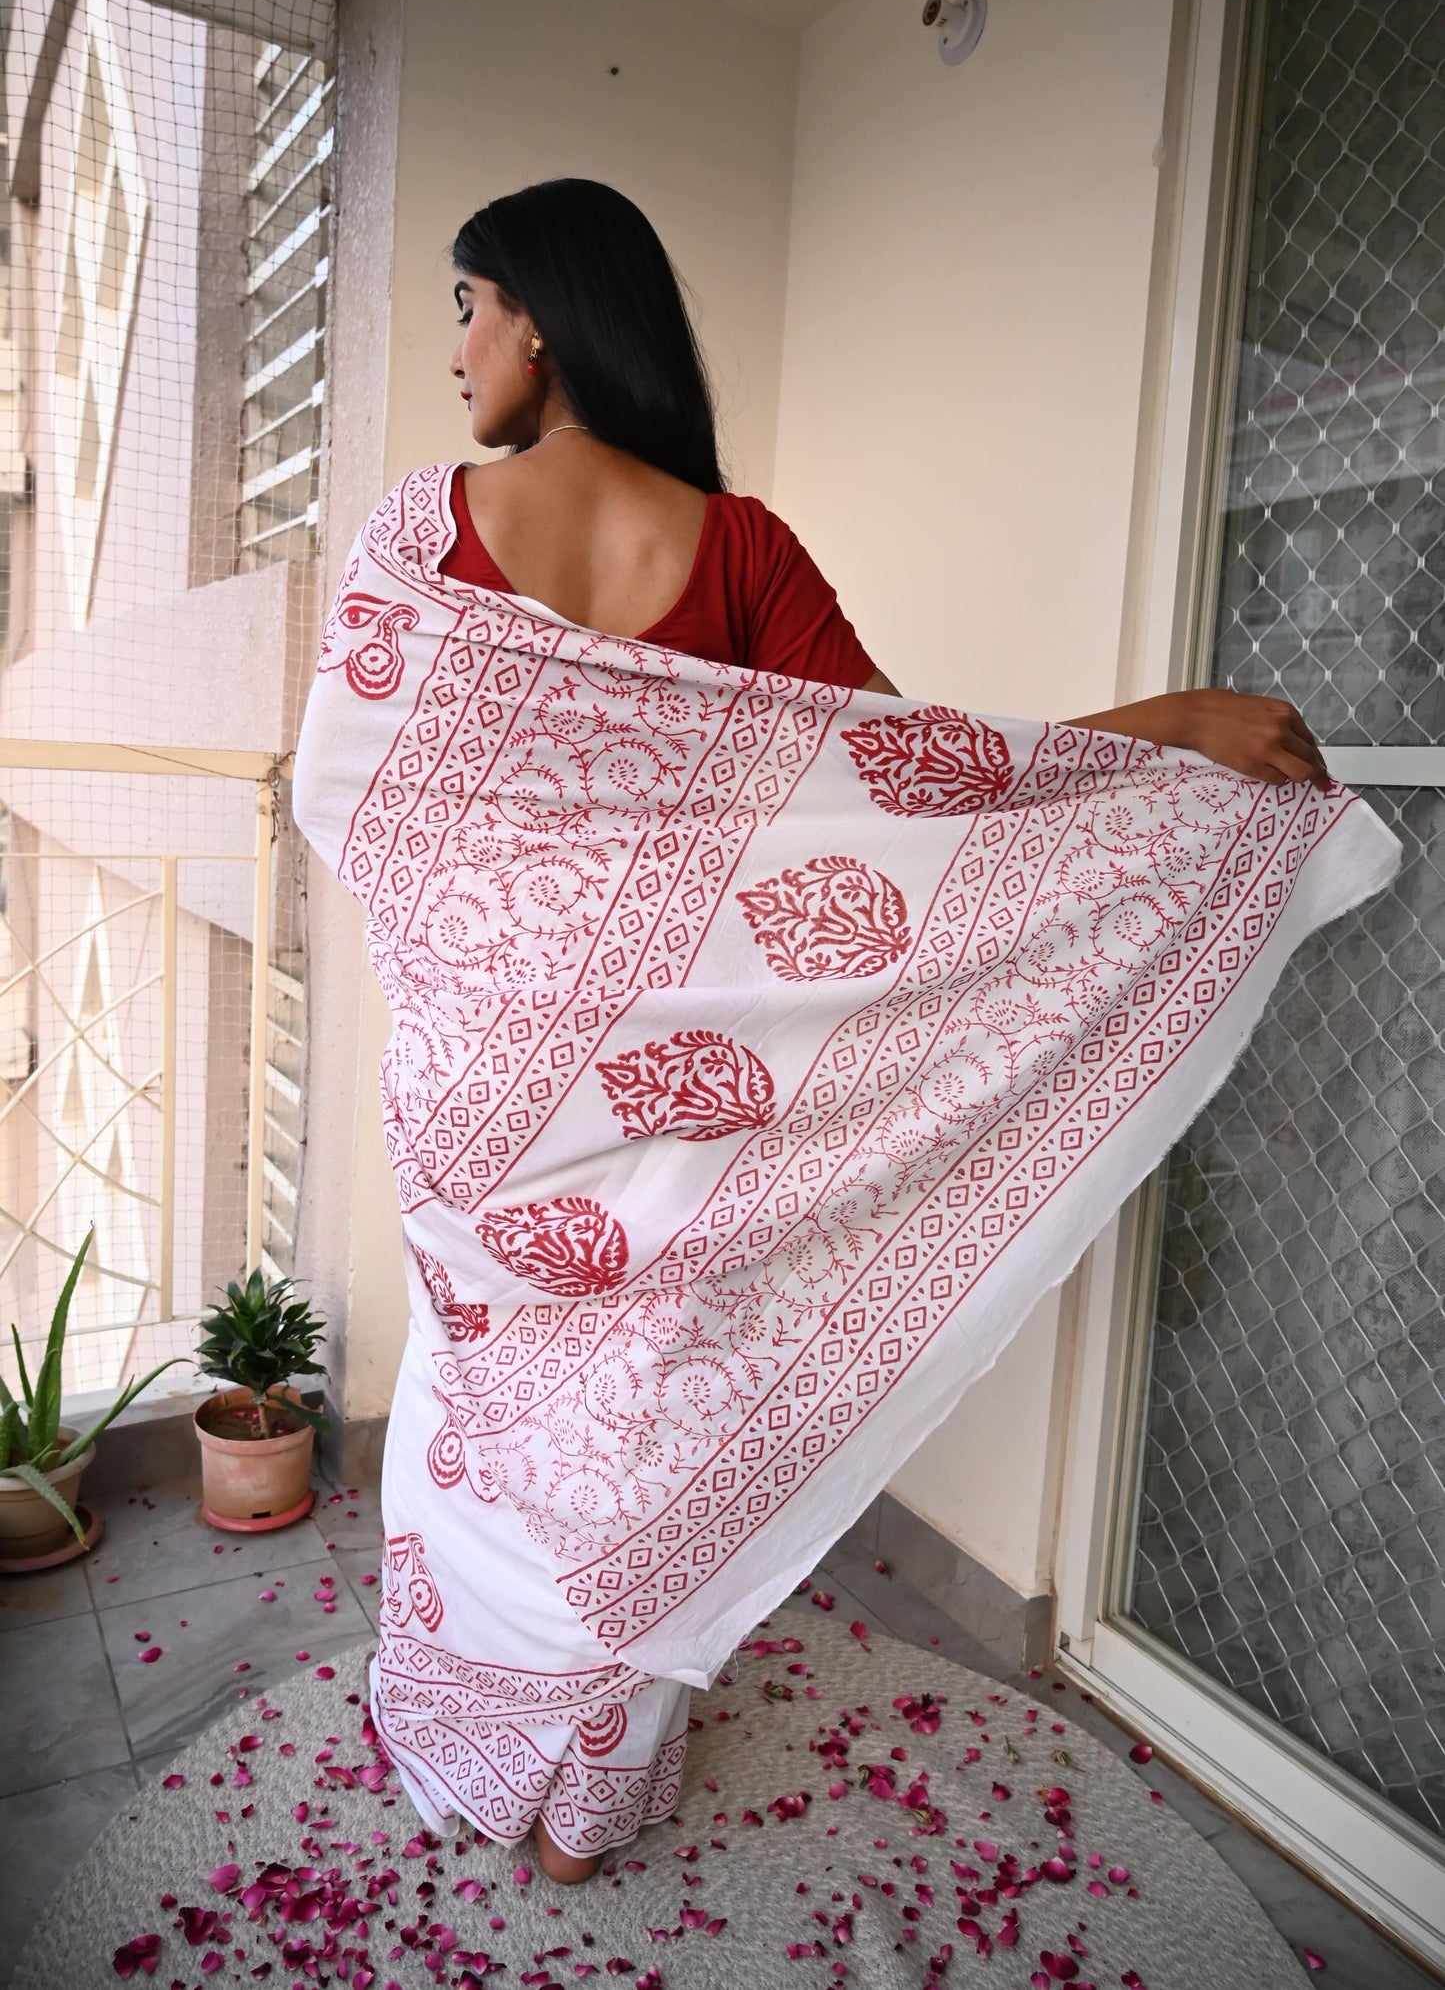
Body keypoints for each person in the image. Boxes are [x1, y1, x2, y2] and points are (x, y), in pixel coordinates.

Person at [295, 178, 1353, 1887]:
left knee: (485, 1432)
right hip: (687, 1115)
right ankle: (589, 1796)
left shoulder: (424, 544)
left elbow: (353, 806)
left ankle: (486, 1739)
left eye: (465, 309)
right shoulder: (741, 548)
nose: (454, 353)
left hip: (490, 1095)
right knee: (635, 1438)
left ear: (539, 318)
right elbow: (913, 809)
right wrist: (1162, 732)